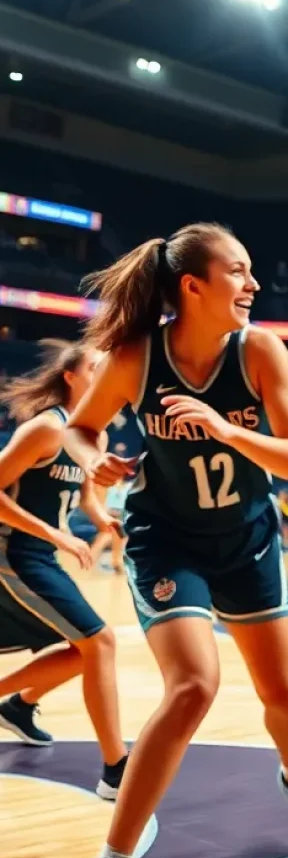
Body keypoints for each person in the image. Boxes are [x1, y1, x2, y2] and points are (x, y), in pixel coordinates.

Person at [59, 224, 288, 858]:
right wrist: (91, 459)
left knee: (284, 697)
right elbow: (80, 424)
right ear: (193, 286)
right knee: (192, 686)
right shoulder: (134, 356)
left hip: (246, 537)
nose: (253, 285)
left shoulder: (261, 352)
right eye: (238, 273)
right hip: (166, 536)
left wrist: (225, 428)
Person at [0, 339, 128, 798]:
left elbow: (85, 493)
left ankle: (16, 705)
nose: (104, 375)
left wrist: (103, 521)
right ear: (71, 377)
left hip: (39, 555)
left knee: (85, 649)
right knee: (102, 642)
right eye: (96, 367)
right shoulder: (44, 429)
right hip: (12, 556)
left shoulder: (94, 435)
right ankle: (117, 767)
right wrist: (57, 534)